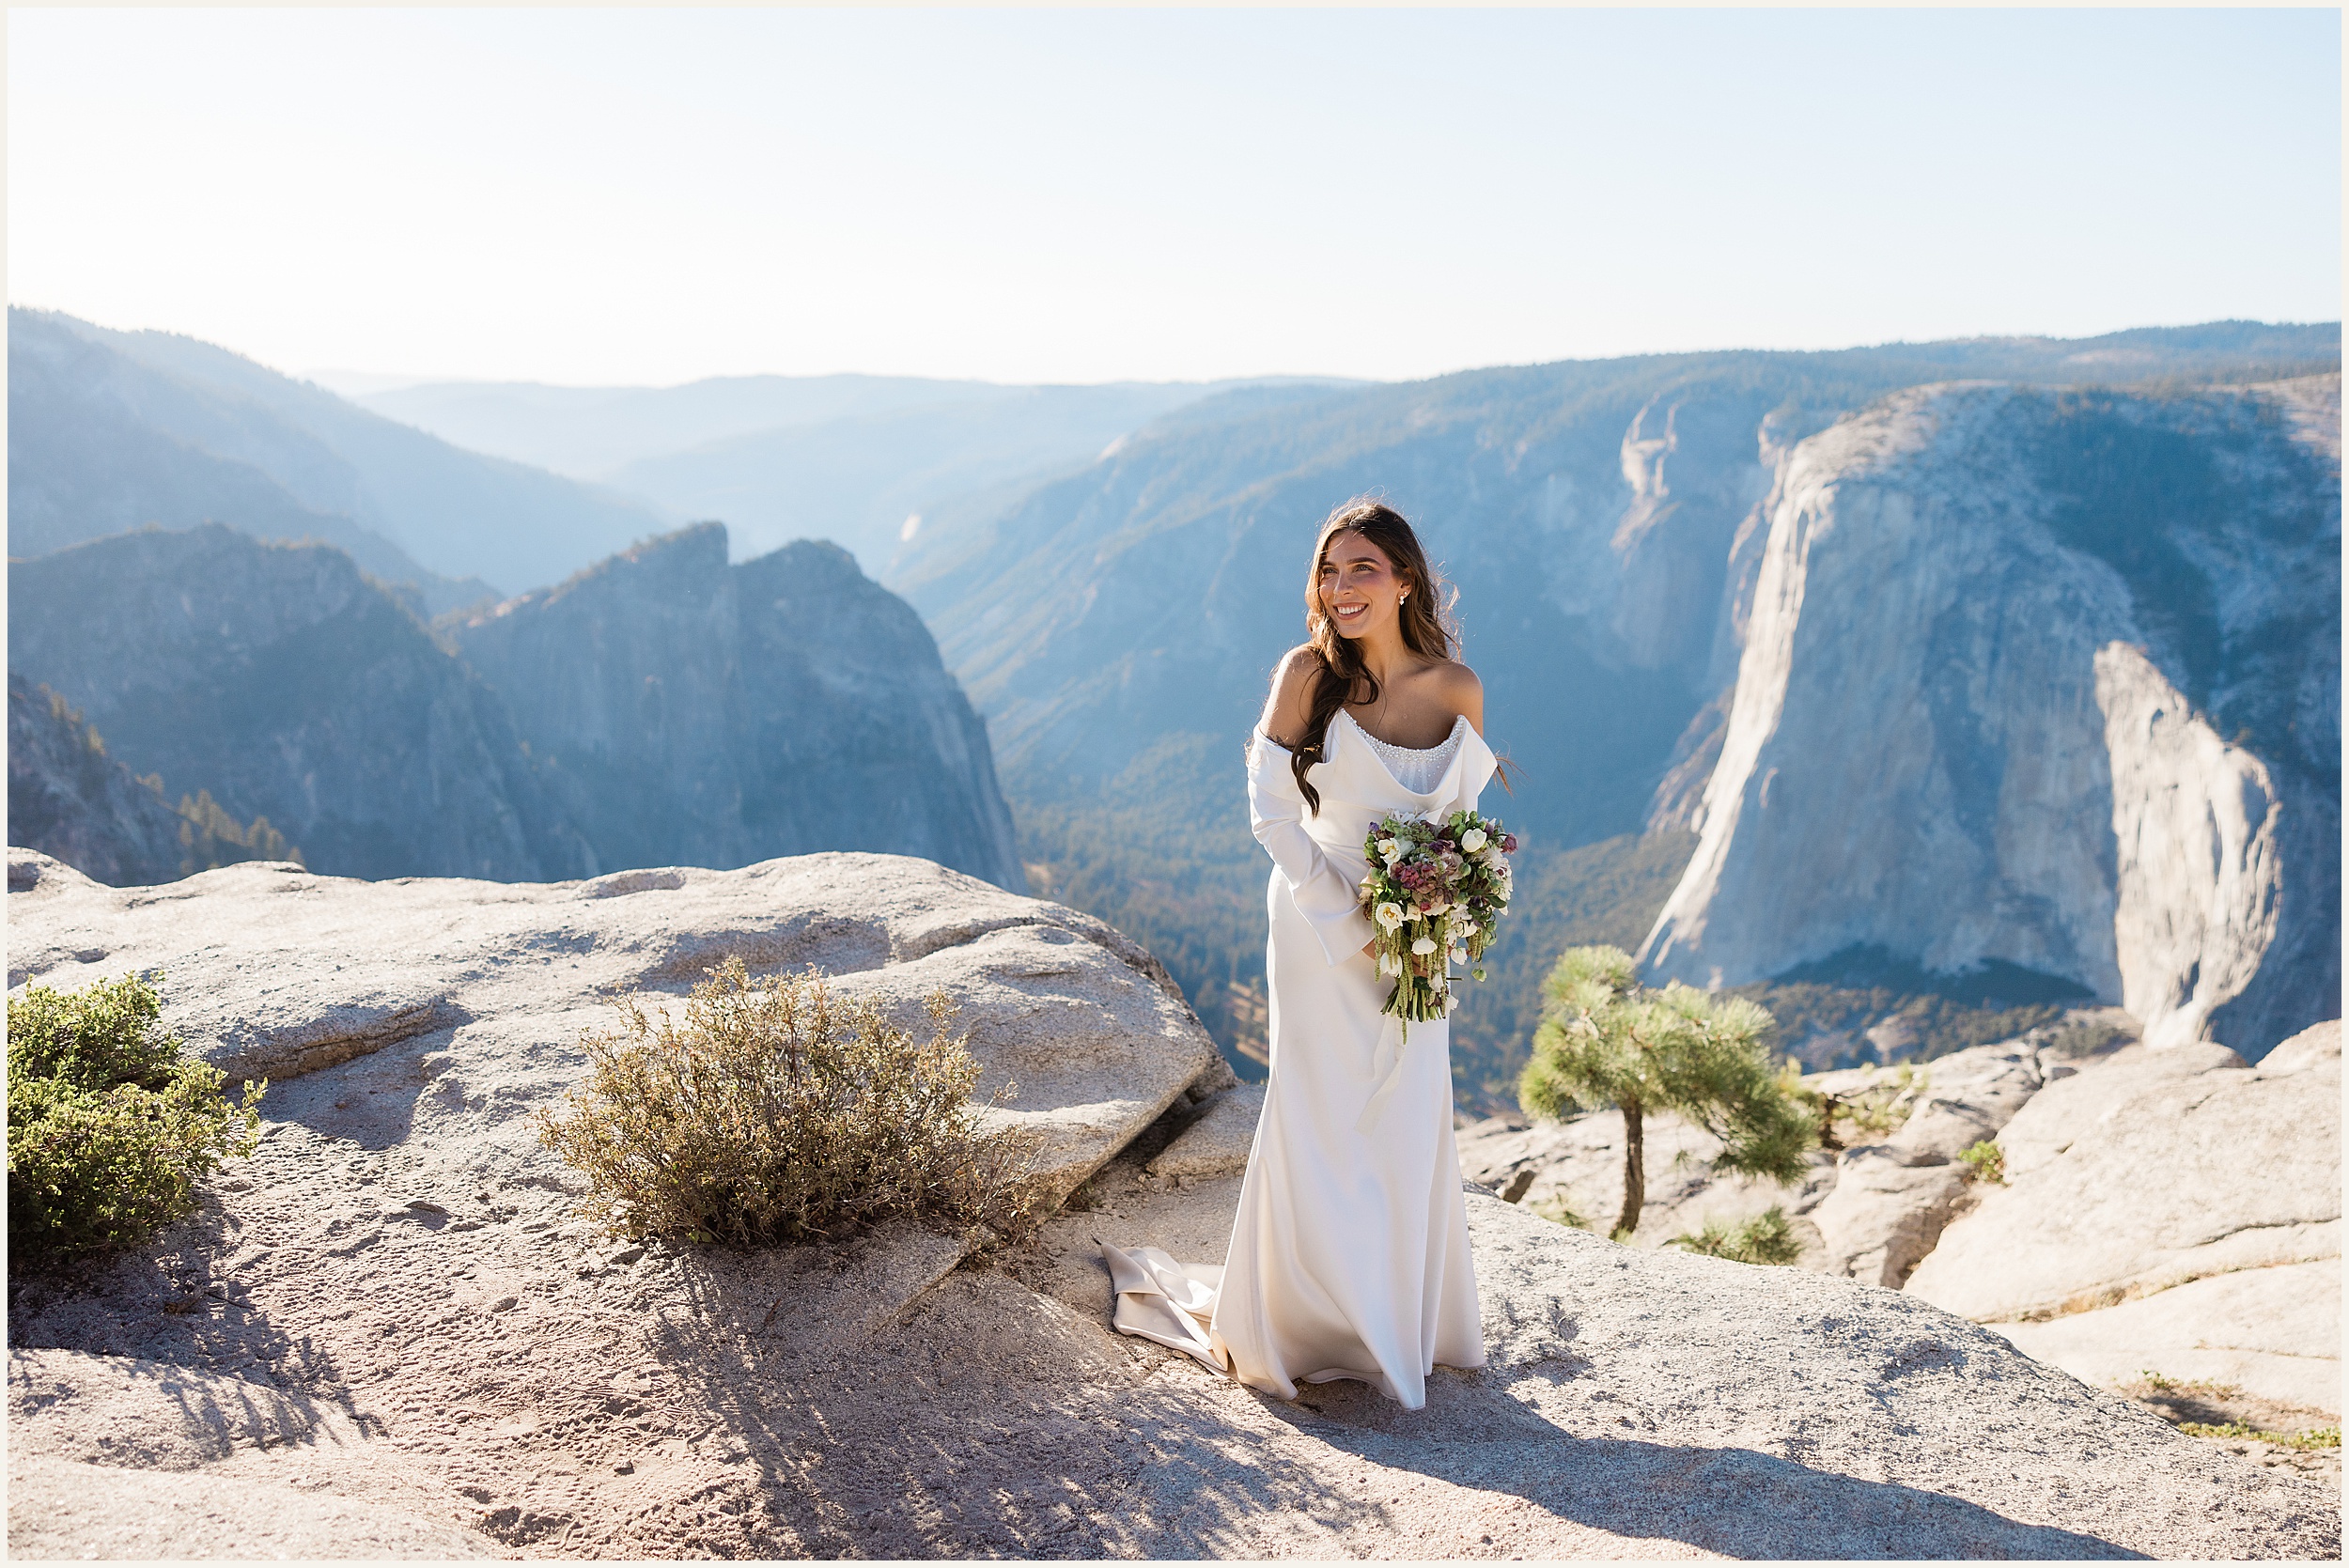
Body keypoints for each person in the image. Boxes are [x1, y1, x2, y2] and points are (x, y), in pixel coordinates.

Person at [1105, 497, 1493, 1409]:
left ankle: (1399, 1322)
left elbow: (1464, 826)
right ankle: (1304, 1324)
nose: (1342, 586)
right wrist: (1350, 922)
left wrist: (1438, 914)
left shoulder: (1456, 687)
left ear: (1403, 579)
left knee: (1407, 1108)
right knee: (1321, 1116)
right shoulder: (1306, 675)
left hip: (1418, 932)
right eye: (1329, 569)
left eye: (1362, 567)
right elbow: (1271, 814)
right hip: (1317, 918)